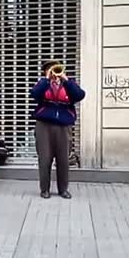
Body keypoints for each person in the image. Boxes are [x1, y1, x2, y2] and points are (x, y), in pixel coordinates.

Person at [30, 60, 85, 199]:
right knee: (45, 158)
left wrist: (66, 80)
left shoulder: (67, 85)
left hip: (63, 126)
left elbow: (79, 95)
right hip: (44, 125)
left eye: (56, 69)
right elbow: (34, 94)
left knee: (63, 159)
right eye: (50, 69)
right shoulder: (42, 84)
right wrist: (46, 79)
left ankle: (63, 189)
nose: (54, 72)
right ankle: (44, 189)